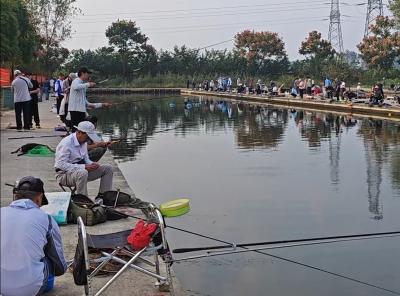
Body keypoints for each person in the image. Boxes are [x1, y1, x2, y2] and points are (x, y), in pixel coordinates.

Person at [1, 176, 67, 296]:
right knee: (47, 254)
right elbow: (59, 264)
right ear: (39, 198)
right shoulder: (47, 219)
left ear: (16, 196)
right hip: (29, 289)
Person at [55, 121, 114, 199]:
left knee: (108, 168)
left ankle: (103, 197)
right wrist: (84, 167)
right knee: (83, 172)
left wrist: (92, 164)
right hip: (64, 175)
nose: (88, 140)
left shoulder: (83, 142)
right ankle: (83, 201)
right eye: (87, 137)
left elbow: (85, 158)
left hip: (80, 172)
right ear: (79, 132)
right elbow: (60, 165)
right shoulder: (66, 144)